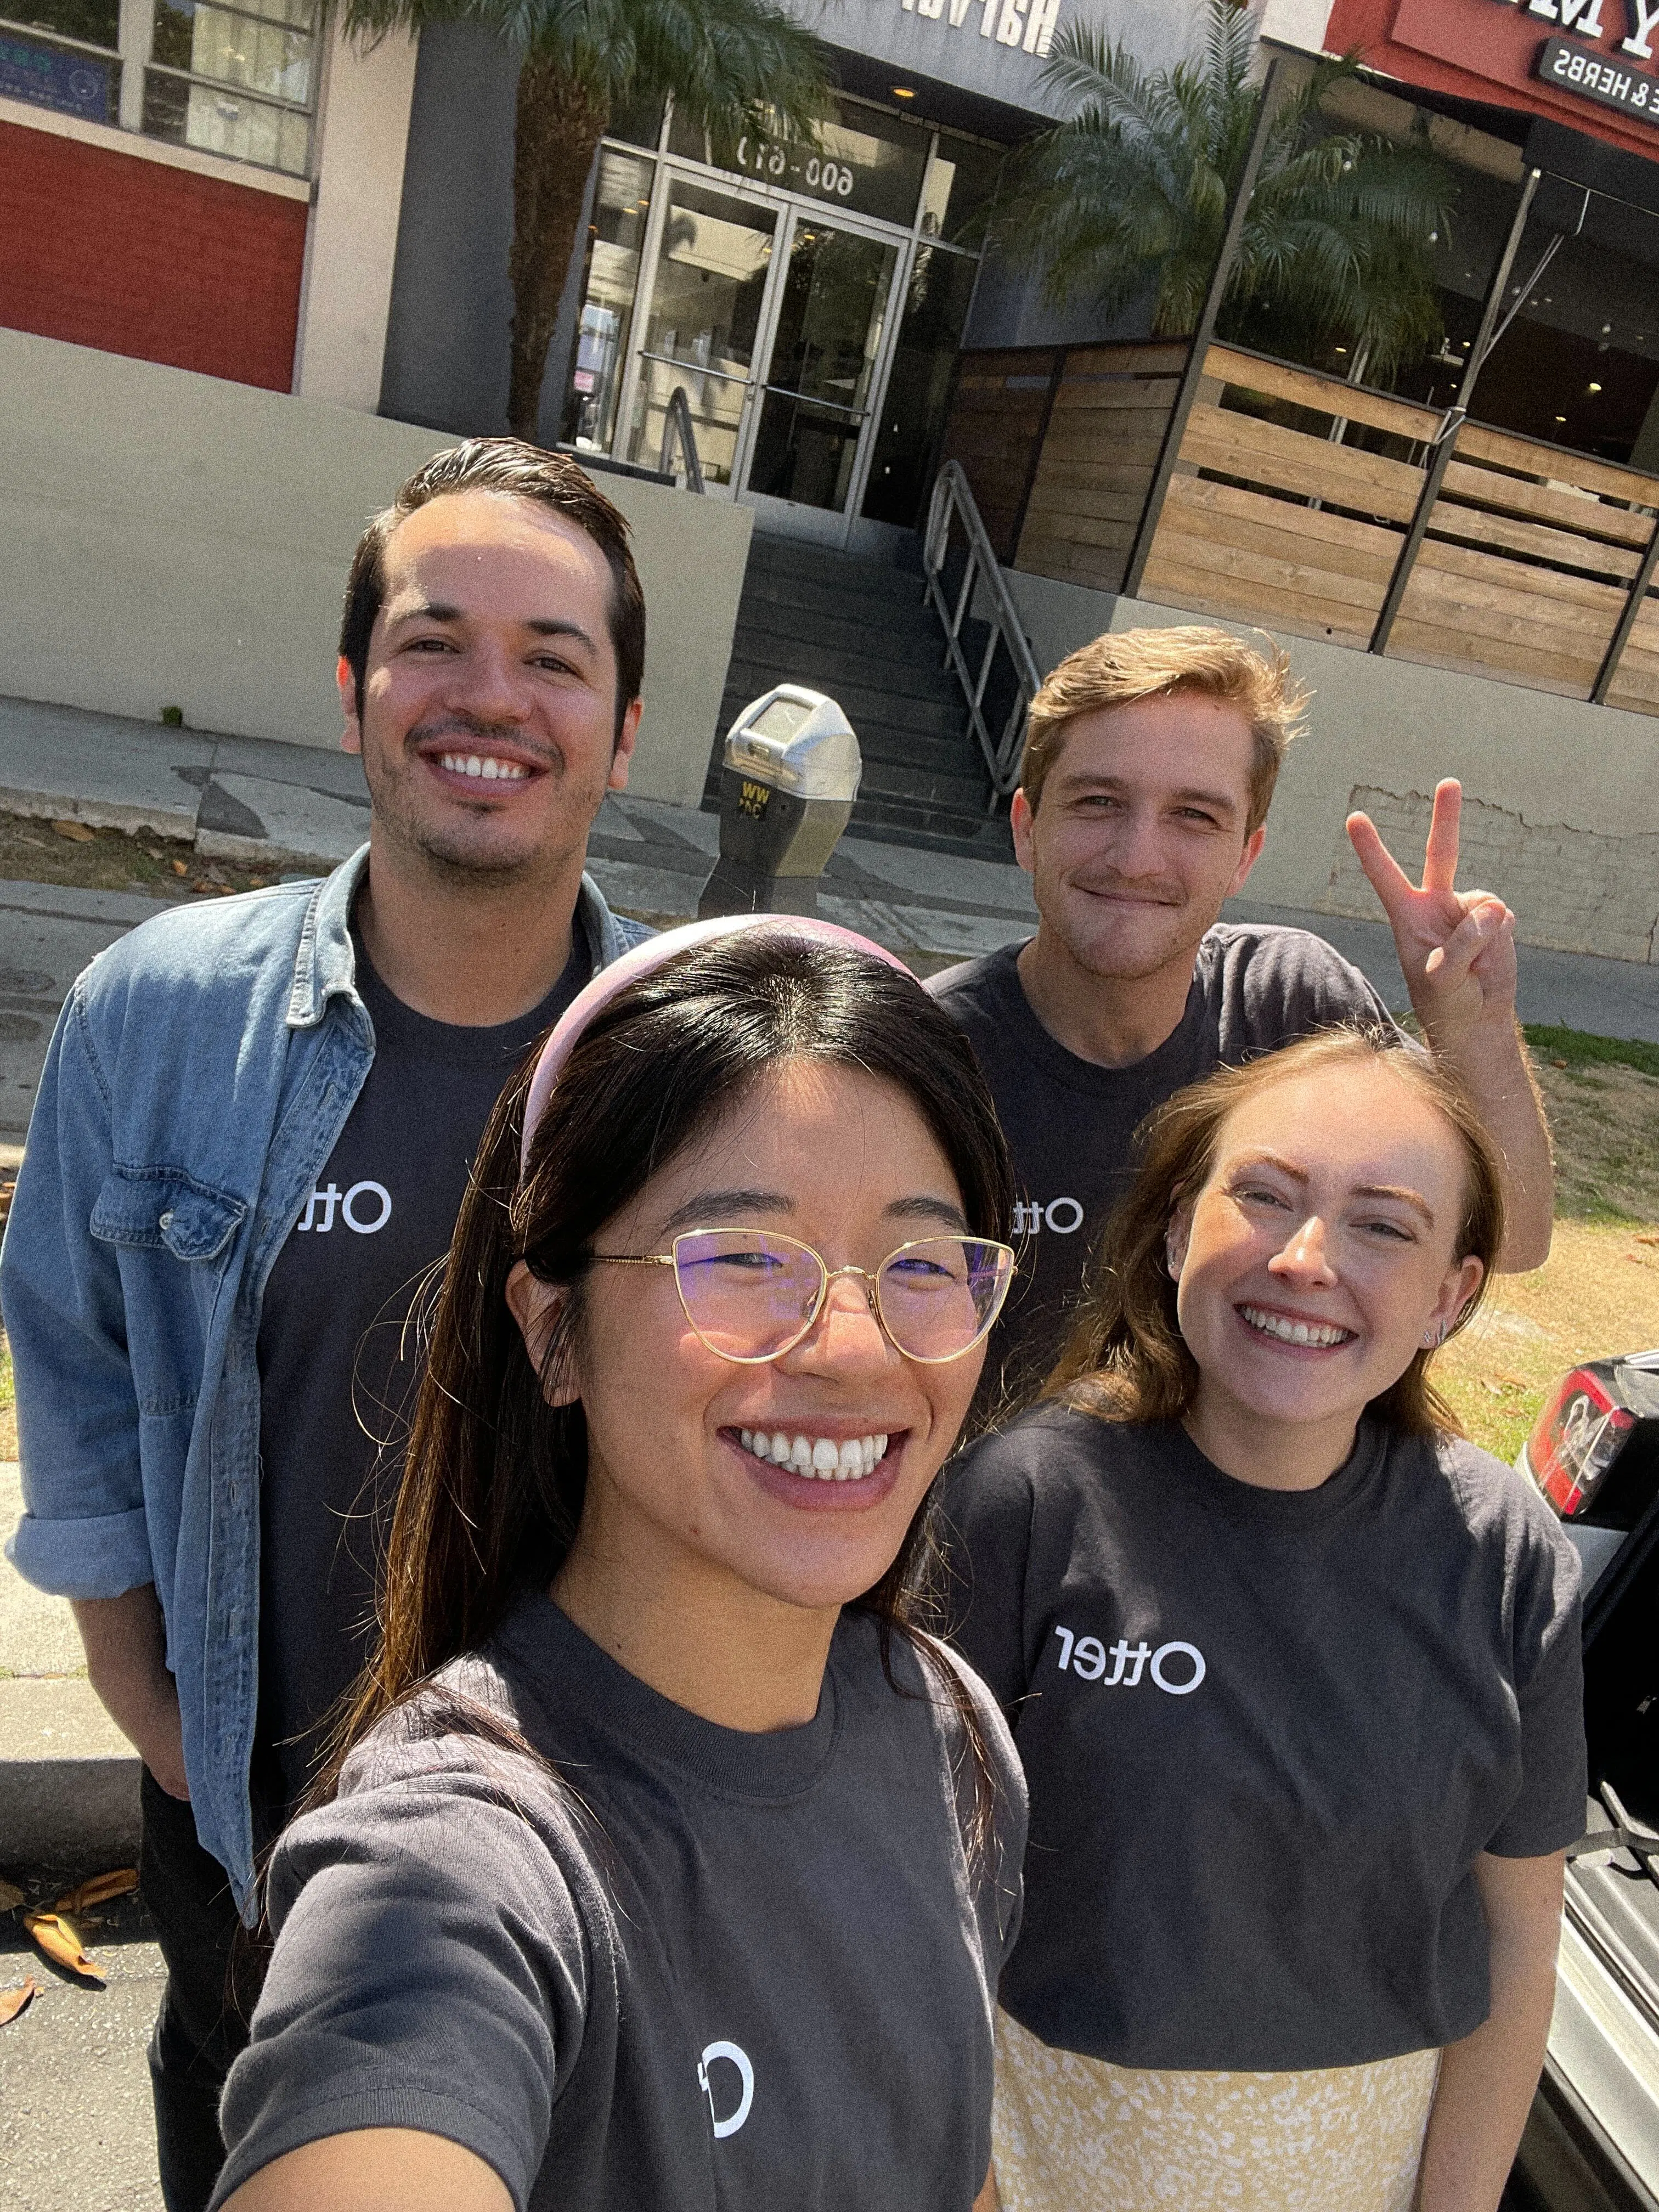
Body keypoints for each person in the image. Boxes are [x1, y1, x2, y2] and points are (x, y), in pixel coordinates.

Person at [1, 439, 655, 2211]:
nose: (490, 699)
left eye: (554, 657)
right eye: (437, 640)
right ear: (356, 685)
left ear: (626, 724)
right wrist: (165, 1729)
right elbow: (74, 1386)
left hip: (597, 1865)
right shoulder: (153, 1023)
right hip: (239, 1849)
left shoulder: (696, 1061)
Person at [207, 916, 1025, 2212]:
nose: (857, 1347)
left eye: (922, 1262)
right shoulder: (466, 1857)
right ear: (554, 1333)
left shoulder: (947, 1725)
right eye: (746, 1258)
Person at [942, 1028, 1587, 2212]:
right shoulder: (1024, 1505)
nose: (1304, 1259)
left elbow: (1517, 1945)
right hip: (1035, 2163)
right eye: (1266, 1195)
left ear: (1452, 1295)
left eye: (1383, 1225)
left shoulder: (1505, 1560)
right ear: (1181, 1225)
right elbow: (912, 1909)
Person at [927, 625, 1554, 1413]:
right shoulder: (930, 1062)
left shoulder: (1296, 1009)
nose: (1137, 856)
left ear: (1246, 856)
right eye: (1098, 802)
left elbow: (1512, 1240)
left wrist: (1473, 1027)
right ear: (1027, 826)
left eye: (1194, 816)